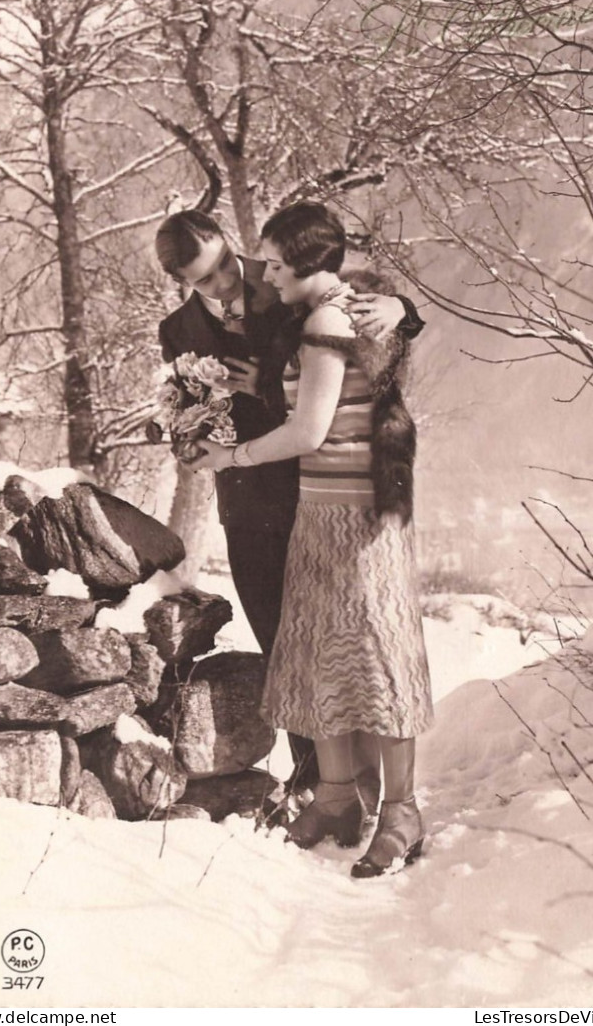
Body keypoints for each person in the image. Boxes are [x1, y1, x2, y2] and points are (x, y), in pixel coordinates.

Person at [188, 201, 434, 878]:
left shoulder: (329, 318)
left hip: (353, 513)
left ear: (304, 262)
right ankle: (336, 799)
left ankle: (399, 812)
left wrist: (229, 460)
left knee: (373, 655)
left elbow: (309, 432)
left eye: (272, 259)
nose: (263, 271)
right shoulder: (341, 309)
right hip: (328, 507)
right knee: (324, 644)